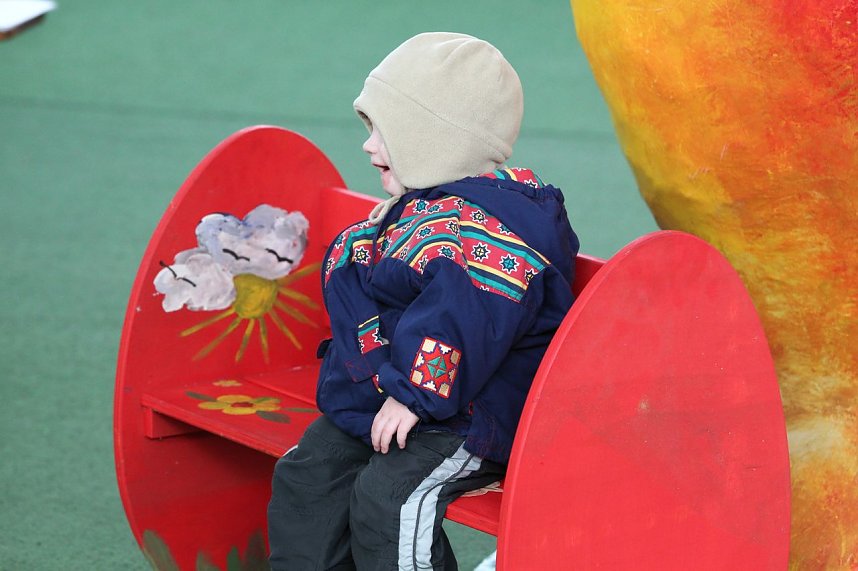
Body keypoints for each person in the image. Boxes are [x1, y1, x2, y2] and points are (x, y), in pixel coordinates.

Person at [267, 32, 579, 571]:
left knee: (390, 501)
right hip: (401, 396)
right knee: (310, 473)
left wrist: (413, 397)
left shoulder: (486, 233)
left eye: (383, 131)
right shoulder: (426, 208)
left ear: (436, 138)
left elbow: (457, 324)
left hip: (471, 415)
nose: (369, 146)